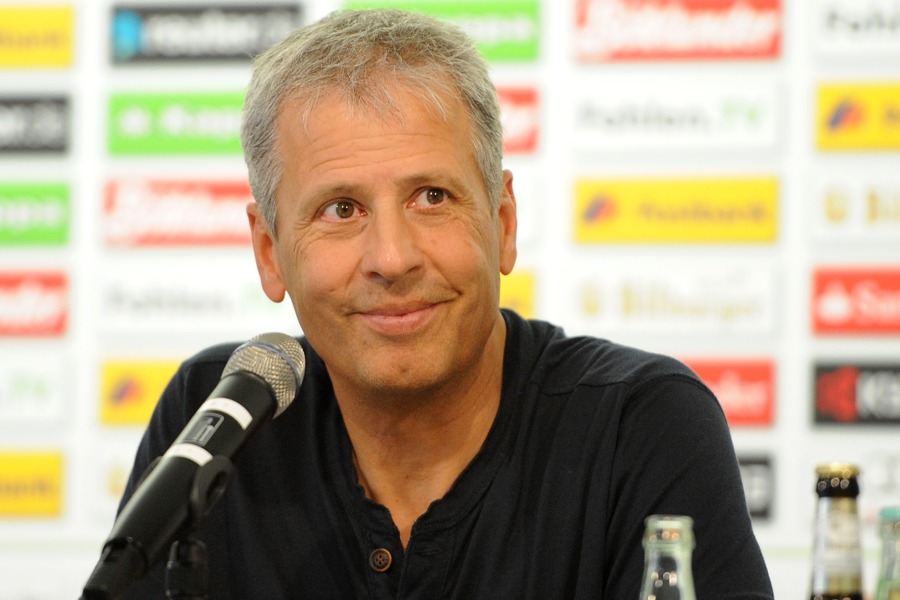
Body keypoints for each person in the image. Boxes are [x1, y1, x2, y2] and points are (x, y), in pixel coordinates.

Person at [112, 8, 774, 599]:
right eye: (340, 210)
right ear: (269, 251)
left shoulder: (640, 425)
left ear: (504, 222)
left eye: (432, 197)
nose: (393, 258)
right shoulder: (220, 414)